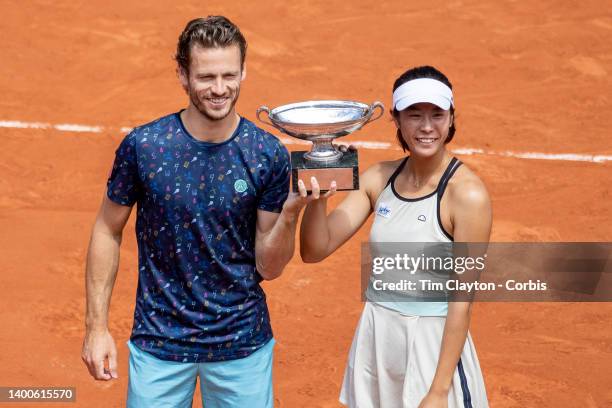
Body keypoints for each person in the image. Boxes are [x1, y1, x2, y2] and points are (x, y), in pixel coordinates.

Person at [81, 16, 312, 408]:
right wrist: (96, 327)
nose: (219, 89)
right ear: (183, 75)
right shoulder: (145, 147)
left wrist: (291, 214)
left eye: (229, 75)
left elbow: (269, 267)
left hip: (242, 344)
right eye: (206, 77)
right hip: (159, 344)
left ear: (244, 71)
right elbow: (107, 229)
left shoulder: (267, 154)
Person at [300, 66, 492, 407]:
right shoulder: (379, 179)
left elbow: (462, 302)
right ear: (397, 120)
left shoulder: (467, 196)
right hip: (378, 338)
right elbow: (316, 249)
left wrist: (438, 391)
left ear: (451, 118)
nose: (427, 127)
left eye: (437, 114)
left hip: (432, 347)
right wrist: (318, 201)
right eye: (414, 115)